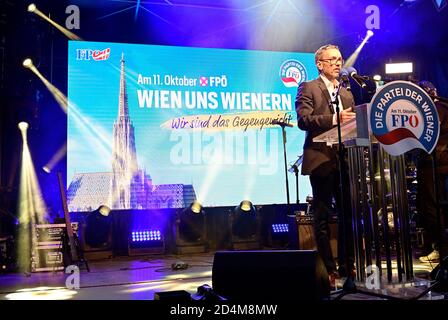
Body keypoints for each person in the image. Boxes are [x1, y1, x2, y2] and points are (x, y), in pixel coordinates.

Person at [295, 44, 356, 286]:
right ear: (319, 64)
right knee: (322, 217)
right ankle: (328, 270)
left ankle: (347, 267)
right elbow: (304, 120)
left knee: (348, 215)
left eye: (340, 59)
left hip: (343, 158)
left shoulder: (347, 93)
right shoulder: (308, 87)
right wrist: (334, 119)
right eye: (332, 60)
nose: (337, 63)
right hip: (320, 158)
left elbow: (353, 124)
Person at [417, 80, 448, 263]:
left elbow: (427, 132)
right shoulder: (442, 106)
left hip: (434, 164)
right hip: (435, 163)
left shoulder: (436, 108)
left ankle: (443, 249)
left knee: (430, 207)